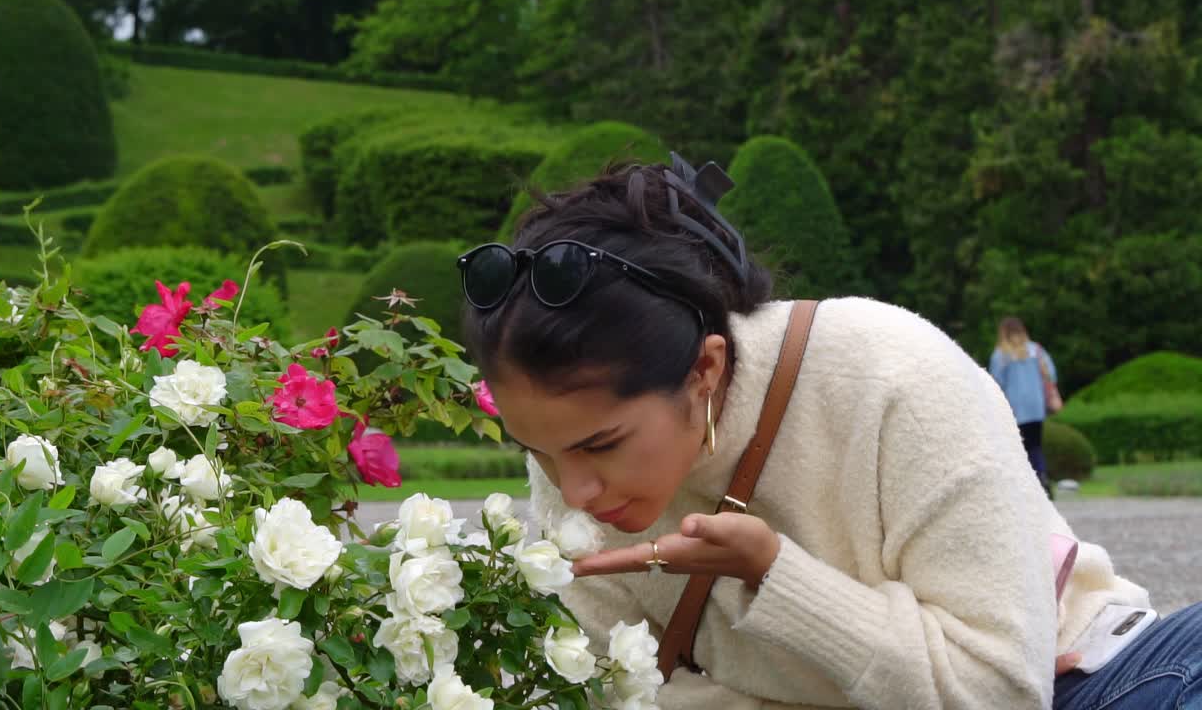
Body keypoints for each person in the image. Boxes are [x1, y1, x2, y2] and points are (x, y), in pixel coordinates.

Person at [456, 155, 1202, 709]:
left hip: (1095, 683)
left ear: (705, 370)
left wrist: (777, 575)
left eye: (600, 446)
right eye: (538, 454)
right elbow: (611, 691)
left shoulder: (893, 375)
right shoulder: (571, 455)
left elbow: (1003, 689)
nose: (574, 495)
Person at [990, 317, 1059, 498]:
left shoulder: (1001, 355)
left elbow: (996, 382)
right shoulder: (1036, 350)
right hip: (1036, 406)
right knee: (1035, 445)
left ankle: (1028, 486)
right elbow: (1051, 374)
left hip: (1015, 408)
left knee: (1019, 447)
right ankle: (1042, 477)